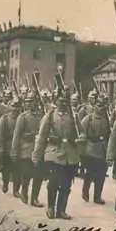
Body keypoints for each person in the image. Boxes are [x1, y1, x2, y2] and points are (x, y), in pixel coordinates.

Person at [32, 87, 82, 219]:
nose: (64, 104)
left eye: (66, 101)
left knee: (66, 184)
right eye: (61, 101)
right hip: (53, 153)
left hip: (69, 155)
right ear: (56, 101)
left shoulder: (73, 116)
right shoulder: (50, 115)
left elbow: (82, 134)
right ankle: (50, 207)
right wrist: (36, 156)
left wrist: (79, 140)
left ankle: (61, 210)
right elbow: (41, 136)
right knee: (53, 182)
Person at [11, 92, 44, 207]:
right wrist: (14, 152)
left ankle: (35, 198)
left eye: (32, 101)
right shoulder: (22, 117)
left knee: (38, 175)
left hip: (38, 149)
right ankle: (24, 193)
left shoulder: (41, 116)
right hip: (26, 149)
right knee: (26, 174)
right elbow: (16, 136)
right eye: (27, 102)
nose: (30, 104)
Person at [80, 94, 110, 204]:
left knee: (101, 175)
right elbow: (82, 135)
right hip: (90, 150)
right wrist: (81, 154)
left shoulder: (107, 120)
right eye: (98, 105)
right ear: (94, 106)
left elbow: (109, 134)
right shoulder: (88, 119)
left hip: (102, 151)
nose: (101, 108)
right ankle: (85, 191)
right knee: (90, 174)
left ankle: (97, 196)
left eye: (103, 106)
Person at [0, 98, 21, 195]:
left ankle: (16, 190)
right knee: (5, 169)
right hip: (6, 148)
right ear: (10, 107)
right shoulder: (5, 119)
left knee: (18, 170)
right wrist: (0, 150)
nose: (15, 110)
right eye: (13, 107)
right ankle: (5, 183)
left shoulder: (21, 118)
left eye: (17, 108)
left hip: (18, 148)